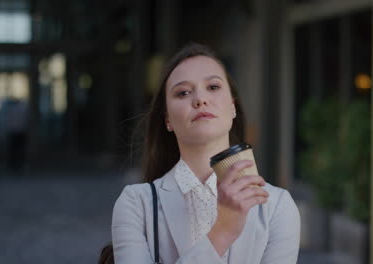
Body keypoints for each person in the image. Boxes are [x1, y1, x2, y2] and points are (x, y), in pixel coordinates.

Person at [111, 43, 300, 264]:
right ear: (168, 120)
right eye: (183, 92)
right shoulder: (136, 204)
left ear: (233, 107)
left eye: (213, 87)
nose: (200, 99)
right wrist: (223, 231)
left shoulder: (277, 207)